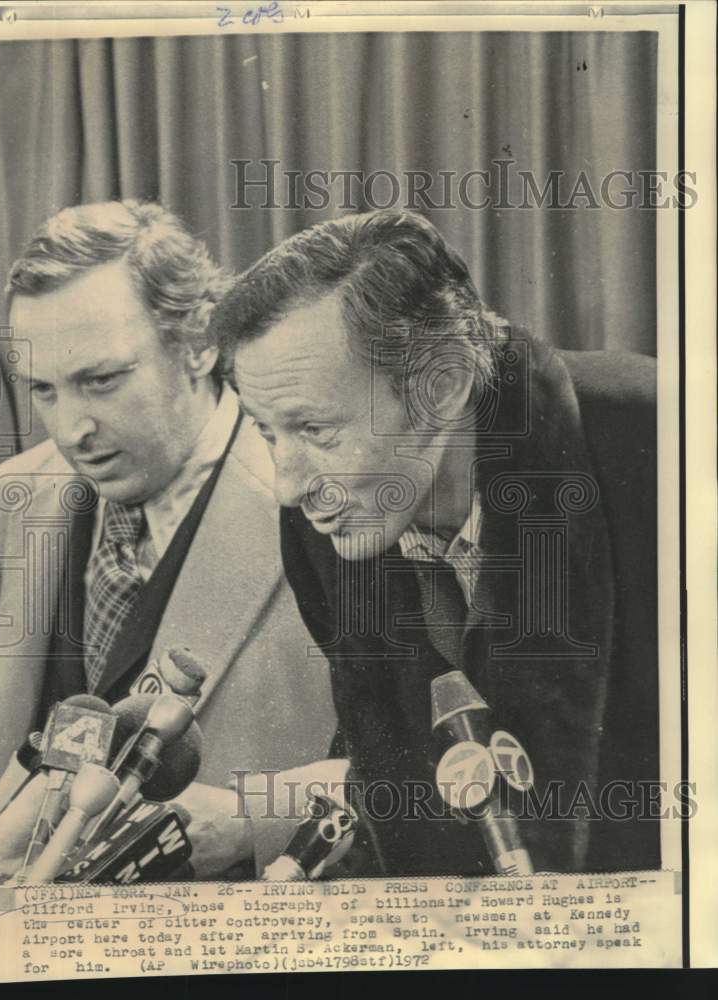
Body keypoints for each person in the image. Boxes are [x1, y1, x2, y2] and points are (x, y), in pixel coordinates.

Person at [208, 208, 660, 876]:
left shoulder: (662, 444)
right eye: (269, 432)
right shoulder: (321, 519)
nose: (287, 485)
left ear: (441, 385)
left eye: (316, 429)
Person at [0, 201, 340, 879]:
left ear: (201, 343)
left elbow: (422, 768)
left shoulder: (324, 503)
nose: (71, 431)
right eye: (45, 391)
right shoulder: (13, 496)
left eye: (101, 381)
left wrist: (248, 819)